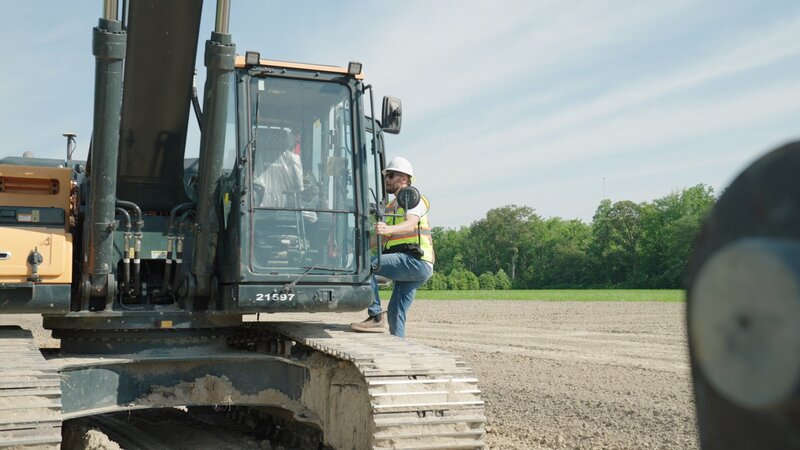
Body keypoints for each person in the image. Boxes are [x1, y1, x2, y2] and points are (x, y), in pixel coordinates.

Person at [351, 156, 435, 338]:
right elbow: (382, 239)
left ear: (404, 178)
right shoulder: (392, 206)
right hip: (411, 263)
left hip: (415, 260)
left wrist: (387, 228)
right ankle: (400, 347)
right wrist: (354, 248)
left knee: (368, 267)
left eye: (390, 175)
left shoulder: (413, 198)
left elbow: (411, 224)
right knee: (396, 313)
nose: (386, 179)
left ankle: (375, 316)